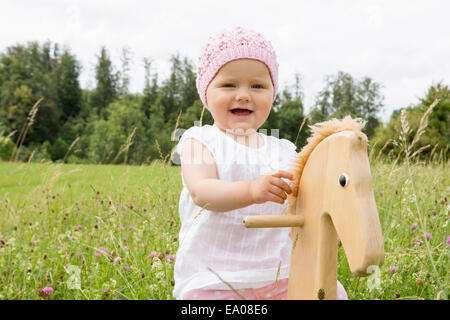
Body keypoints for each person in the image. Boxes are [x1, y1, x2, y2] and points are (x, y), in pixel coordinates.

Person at [173, 26, 348, 300]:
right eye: (229, 84)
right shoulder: (200, 139)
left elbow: (308, 200)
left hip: (278, 275)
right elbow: (202, 191)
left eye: (258, 86)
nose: (244, 95)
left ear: (272, 94)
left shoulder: (285, 150)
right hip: (214, 277)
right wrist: (252, 191)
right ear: (206, 93)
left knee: (332, 291)